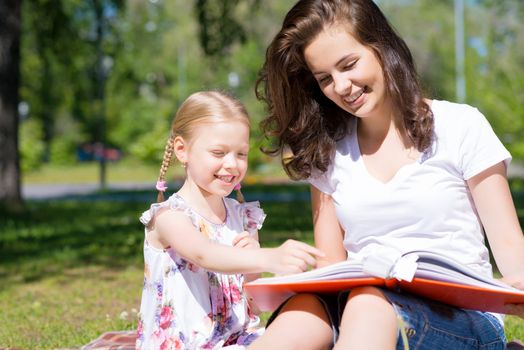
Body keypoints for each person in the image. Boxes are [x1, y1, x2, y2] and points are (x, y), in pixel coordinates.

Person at [248, 0, 524, 349]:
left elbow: (511, 248)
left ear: (381, 46)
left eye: (349, 65)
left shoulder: (460, 126)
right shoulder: (329, 152)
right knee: (303, 314)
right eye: (325, 79)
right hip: (362, 308)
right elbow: (332, 264)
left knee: (367, 302)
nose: (342, 86)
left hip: (461, 316)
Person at [135, 90, 324, 349]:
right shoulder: (169, 217)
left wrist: (255, 272)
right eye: (218, 152)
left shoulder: (244, 218)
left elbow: (253, 305)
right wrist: (268, 257)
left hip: (237, 341)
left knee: (311, 318)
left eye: (241, 154)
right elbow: (204, 254)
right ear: (182, 150)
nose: (232, 164)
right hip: (186, 345)